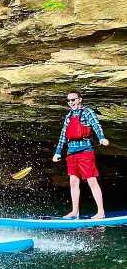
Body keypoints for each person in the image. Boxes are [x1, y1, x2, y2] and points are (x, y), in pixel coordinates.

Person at [52, 91, 109, 219]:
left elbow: (96, 125)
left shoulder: (87, 112)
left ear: (80, 100)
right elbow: (63, 135)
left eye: (73, 100)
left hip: (85, 151)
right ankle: (75, 212)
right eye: (69, 100)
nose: (71, 102)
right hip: (71, 153)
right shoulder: (68, 116)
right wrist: (57, 152)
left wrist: (101, 138)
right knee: (73, 182)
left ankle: (101, 212)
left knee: (91, 180)